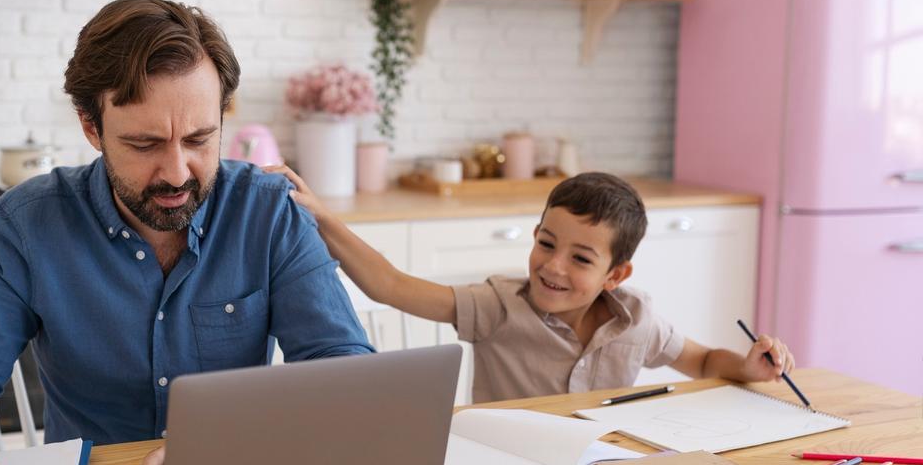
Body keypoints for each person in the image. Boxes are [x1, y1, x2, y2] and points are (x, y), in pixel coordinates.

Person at [0, 0, 373, 465]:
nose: (178, 173)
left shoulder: (268, 212)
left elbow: (344, 373)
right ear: (91, 128)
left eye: (199, 139)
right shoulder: (24, 227)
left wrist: (227, 447)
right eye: (144, 144)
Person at [265, 166, 796, 404]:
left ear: (616, 275)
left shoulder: (637, 319)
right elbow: (391, 286)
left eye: (580, 258)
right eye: (546, 242)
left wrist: (746, 366)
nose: (553, 267)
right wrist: (323, 217)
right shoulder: (499, 306)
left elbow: (702, 363)